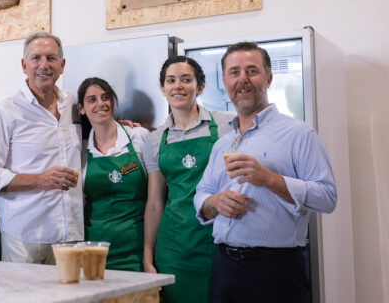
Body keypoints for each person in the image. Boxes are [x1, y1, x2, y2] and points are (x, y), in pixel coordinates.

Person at [194, 42, 337, 303]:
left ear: (269, 78)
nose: (243, 80)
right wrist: (214, 202)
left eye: (252, 71)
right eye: (234, 73)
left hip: (275, 272)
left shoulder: (299, 134)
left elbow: (327, 197)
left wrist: (269, 179)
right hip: (224, 268)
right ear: (225, 81)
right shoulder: (222, 143)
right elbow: (202, 192)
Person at [0, 32, 83, 264]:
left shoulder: (73, 104)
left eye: (51, 58)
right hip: (24, 237)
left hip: (70, 234)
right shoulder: (5, 110)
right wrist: (38, 180)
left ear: (62, 65)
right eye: (36, 58)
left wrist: (120, 124)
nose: (44, 65)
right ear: (24, 65)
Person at [141, 56, 234, 302]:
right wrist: (147, 257)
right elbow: (154, 203)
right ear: (163, 89)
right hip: (173, 248)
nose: (177, 86)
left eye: (186, 79)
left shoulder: (227, 126)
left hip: (218, 243)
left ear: (200, 87)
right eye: (170, 81)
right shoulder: (154, 140)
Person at [78, 77, 150, 271]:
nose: (100, 104)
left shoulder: (139, 137)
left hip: (138, 248)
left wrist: (149, 256)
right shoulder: (80, 151)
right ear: (81, 108)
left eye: (105, 97)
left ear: (113, 102)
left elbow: (158, 197)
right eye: (91, 100)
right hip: (95, 251)